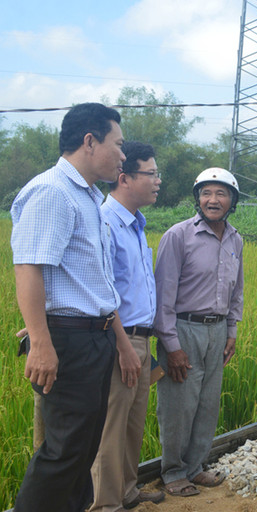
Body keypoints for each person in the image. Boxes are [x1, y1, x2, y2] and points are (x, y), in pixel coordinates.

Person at [10, 102, 137, 512]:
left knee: (82, 451)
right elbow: (29, 268)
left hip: (92, 338)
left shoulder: (87, 198)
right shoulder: (52, 191)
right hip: (69, 342)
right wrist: (43, 342)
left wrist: (118, 341)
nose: (122, 154)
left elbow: (95, 285)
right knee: (64, 452)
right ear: (89, 141)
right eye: (118, 145)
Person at [154, 168, 244, 497]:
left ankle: (195, 467)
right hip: (183, 328)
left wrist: (231, 328)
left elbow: (237, 291)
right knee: (179, 404)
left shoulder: (236, 239)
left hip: (217, 330)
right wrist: (171, 345)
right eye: (206, 193)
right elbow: (163, 295)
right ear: (198, 199)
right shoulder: (178, 236)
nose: (213, 200)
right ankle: (174, 471)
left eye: (221, 194)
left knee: (207, 404)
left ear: (232, 200)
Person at [89, 141, 165, 512]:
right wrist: (123, 346)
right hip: (120, 341)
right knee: (112, 426)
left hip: (141, 339)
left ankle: (128, 491)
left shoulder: (136, 225)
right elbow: (105, 292)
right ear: (124, 178)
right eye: (151, 174)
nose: (158, 181)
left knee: (133, 425)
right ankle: (106, 503)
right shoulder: (106, 224)